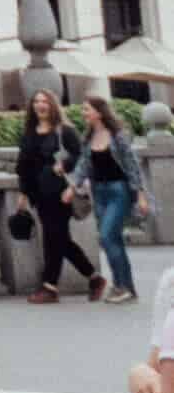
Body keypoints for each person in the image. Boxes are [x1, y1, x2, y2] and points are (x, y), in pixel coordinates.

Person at [13, 85, 109, 304]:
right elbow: (23, 167)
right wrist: (23, 194)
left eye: (44, 101)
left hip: (61, 193)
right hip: (39, 195)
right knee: (60, 239)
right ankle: (94, 278)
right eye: (36, 101)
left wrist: (66, 169)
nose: (40, 105)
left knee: (52, 238)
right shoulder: (29, 133)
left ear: (52, 105)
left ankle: (50, 287)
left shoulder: (64, 131)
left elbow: (83, 157)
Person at [79, 94, 143, 301]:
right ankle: (127, 288)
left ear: (98, 112)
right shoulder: (87, 137)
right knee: (113, 240)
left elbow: (132, 165)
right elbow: (84, 164)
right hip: (99, 192)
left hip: (119, 191)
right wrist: (74, 185)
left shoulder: (117, 135)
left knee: (106, 236)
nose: (83, 113)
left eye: (87, 109)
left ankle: (120, 285)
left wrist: (140, 194)